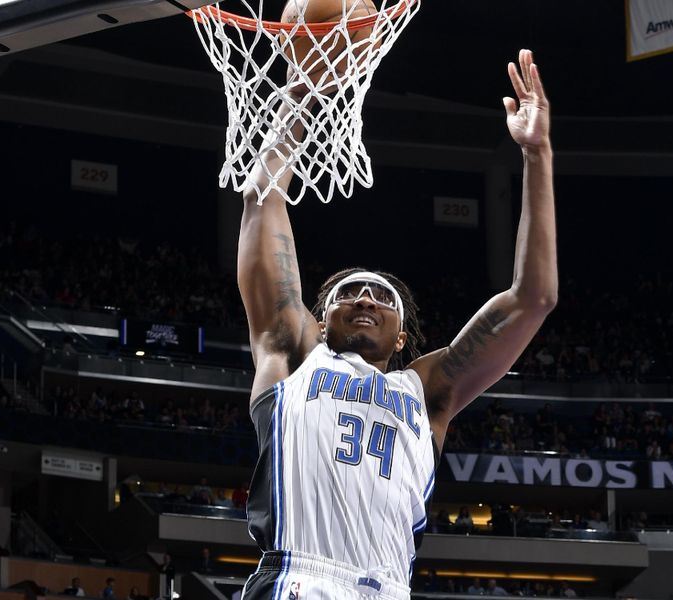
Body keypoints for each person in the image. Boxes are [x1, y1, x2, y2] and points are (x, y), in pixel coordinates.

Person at [236, 49, 555, 599]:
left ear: (403, 337)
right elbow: (260, 200)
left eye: (381, 297)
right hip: (299, 578)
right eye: (347, 293)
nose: (365, 298)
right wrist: (299, 93)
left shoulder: (427, 392)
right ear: (320, 317)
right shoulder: (294, 353)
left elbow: (534, 298)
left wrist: (537, 155)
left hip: (389, 587)